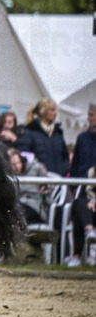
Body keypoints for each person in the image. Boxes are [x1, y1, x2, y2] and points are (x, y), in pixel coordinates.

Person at [64, 104, 96, 267]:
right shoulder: (82, 137)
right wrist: (75, 185)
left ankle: (85, 252)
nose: (89, 118)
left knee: (81, 209)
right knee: (78, 208)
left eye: (92, 115)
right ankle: (78, 253)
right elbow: (76, 163)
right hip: (83, 186)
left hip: (94, 186)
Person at [17, 98, 69, 177]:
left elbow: (65, 156)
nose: (55, 113)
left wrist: (63, 171)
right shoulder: (30, 131)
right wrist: (38, 172)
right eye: (52, 110)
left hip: (59, 179)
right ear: (43, 112)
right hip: (39, 181)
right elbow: (24, 157)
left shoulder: (58, 132)